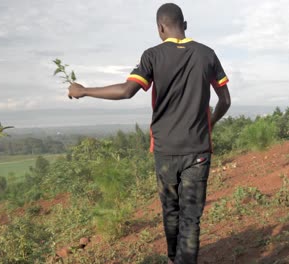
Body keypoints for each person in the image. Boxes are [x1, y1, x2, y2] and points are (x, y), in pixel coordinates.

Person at [68, 3, 231, 263]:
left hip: (165, 151)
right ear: (185, 24)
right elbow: (225, 100)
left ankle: (171, 258)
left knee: (171, 211)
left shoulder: (152, 56)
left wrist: (84, 90)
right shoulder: (207, 54)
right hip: (198, 150)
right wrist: (209, 122)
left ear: (160, 28)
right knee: (191, 217)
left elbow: (126, 91)